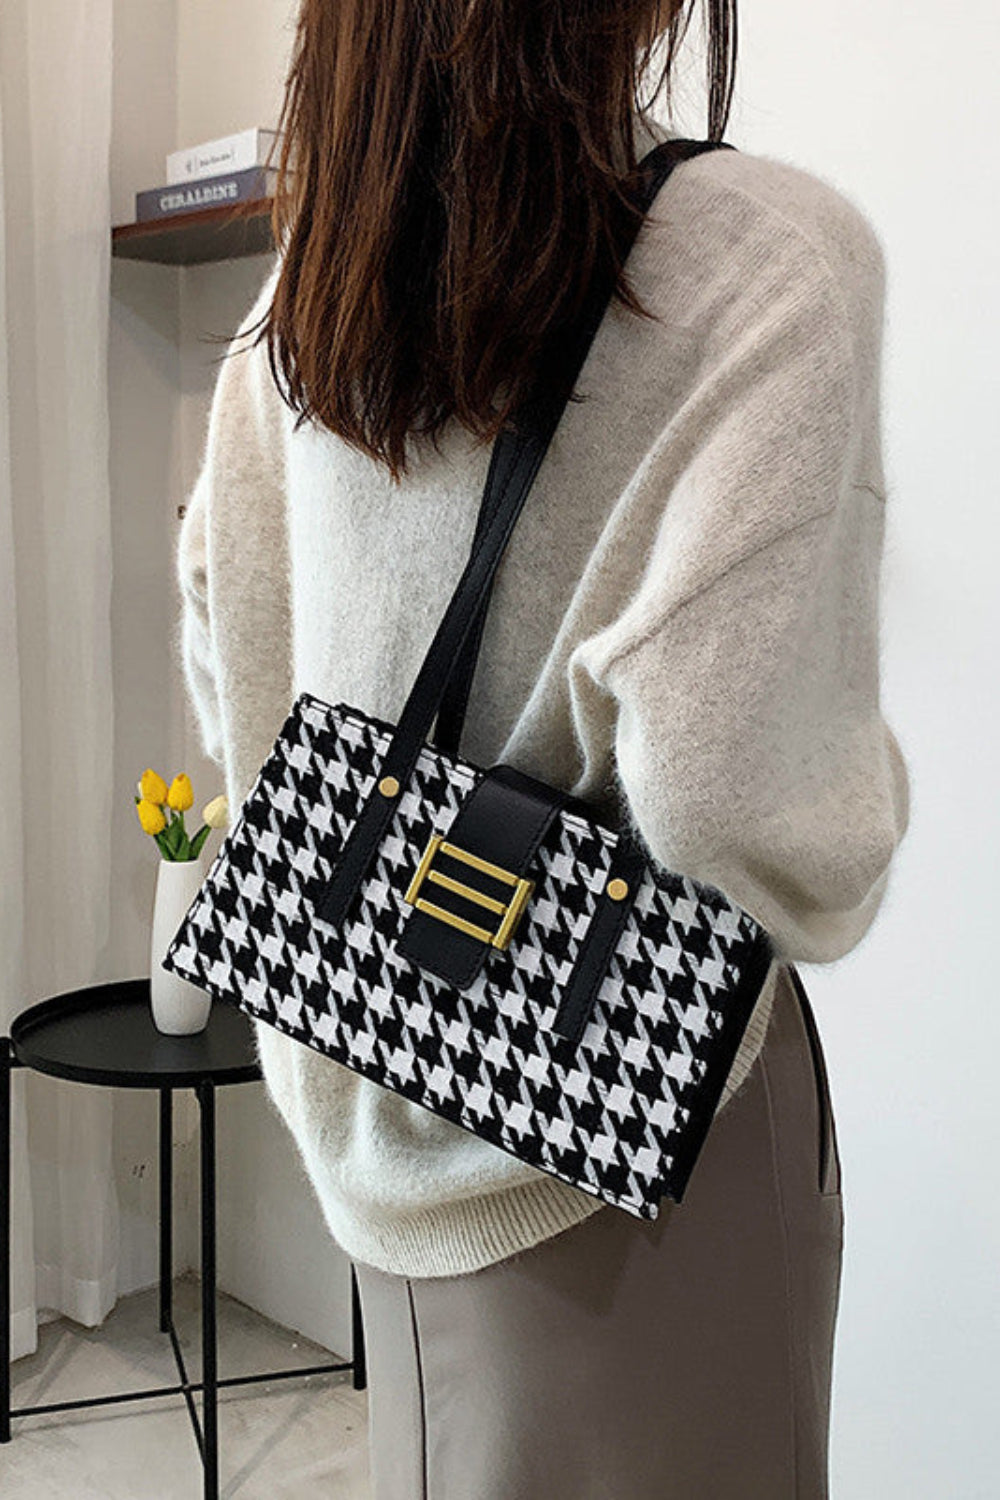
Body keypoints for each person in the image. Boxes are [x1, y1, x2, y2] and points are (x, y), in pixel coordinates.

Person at [175, 1, 910, 1494]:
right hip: (649, 1133)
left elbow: (225, 643)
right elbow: (728, 790)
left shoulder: (296, 313)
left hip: (378, 1095)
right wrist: (865, 812)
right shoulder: (769, 263)